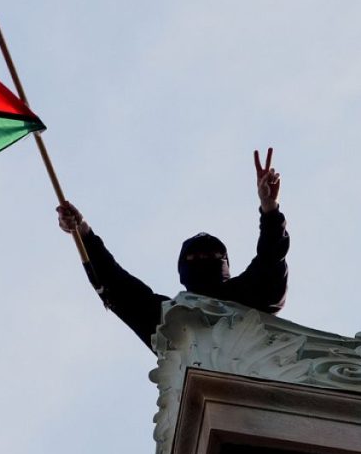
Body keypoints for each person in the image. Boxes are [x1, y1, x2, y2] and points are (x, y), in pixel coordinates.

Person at [57, 148, 289, 350]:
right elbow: (117, 286)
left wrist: (270, 209)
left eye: (212, 255)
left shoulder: (246, 297)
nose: (203, 259)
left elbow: (271, 260)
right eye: (194, 257)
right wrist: (84, 232)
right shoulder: (172, 319)